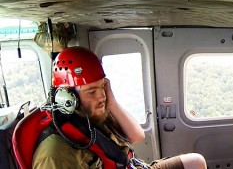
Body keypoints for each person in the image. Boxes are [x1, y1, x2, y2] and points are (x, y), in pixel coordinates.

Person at [32, 46, 207, 169]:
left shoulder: (92, 116)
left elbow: (136, 136)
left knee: (196, 162)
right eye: (91, 91)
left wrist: (112, 103)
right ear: (67, 98)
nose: (101, 96)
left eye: (103, 87)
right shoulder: (54, 153)